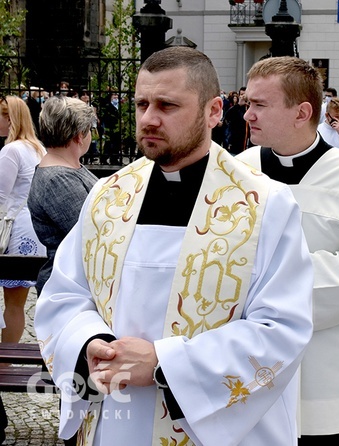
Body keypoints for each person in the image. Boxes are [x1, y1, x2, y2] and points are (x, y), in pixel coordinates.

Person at [34, 47, 314, 446]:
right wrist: (89, 343)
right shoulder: (108, 196)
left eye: (167, 105)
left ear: (214, 111)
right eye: (142, 104)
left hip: (213, 429)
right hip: (116, 416)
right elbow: (64, 294)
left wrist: (165, 364)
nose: (148, 118)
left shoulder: (265, 204)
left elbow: (283, 328)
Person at [238, 56, 339, 445]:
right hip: (247, 365)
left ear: (302, 112)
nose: (247, 115)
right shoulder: (237, 172)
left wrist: (269, 283)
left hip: (326, 369)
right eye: (247, 103)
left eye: (260, 105)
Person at [27, 96, 99, 295]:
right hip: (69, 286)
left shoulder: (65, 167)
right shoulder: (57, 180)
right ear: (79, 135)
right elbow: (91, 231)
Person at [0, 96, 46, 343]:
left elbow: (0, 195)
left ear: (9, 118)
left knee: (13, 304)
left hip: (18, 228)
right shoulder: (38, 148)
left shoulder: (12, 150)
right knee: (22, 300)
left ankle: (5, 362)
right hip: (36, 227)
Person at [99, 92, 121, 165]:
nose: (115, 96)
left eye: (116, 95)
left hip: (118, 127)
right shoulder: (107, 105)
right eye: (114, 95)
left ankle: (114, 159)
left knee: (117, 143)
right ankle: (104, 158)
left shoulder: (120, 105)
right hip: (110, 126)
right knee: (108, 143)